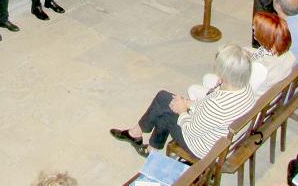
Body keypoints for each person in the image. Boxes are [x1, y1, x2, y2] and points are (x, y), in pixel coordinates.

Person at [109, 44, 256, 158]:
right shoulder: (245, 88)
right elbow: (208, 110)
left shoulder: (218, 104)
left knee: (165, 105)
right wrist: (188, 104)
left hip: (203, 147)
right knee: (166, 103)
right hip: (220, 136)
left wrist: (182, 111)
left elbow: (191, 131)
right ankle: (147, 146)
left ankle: (137, 135)